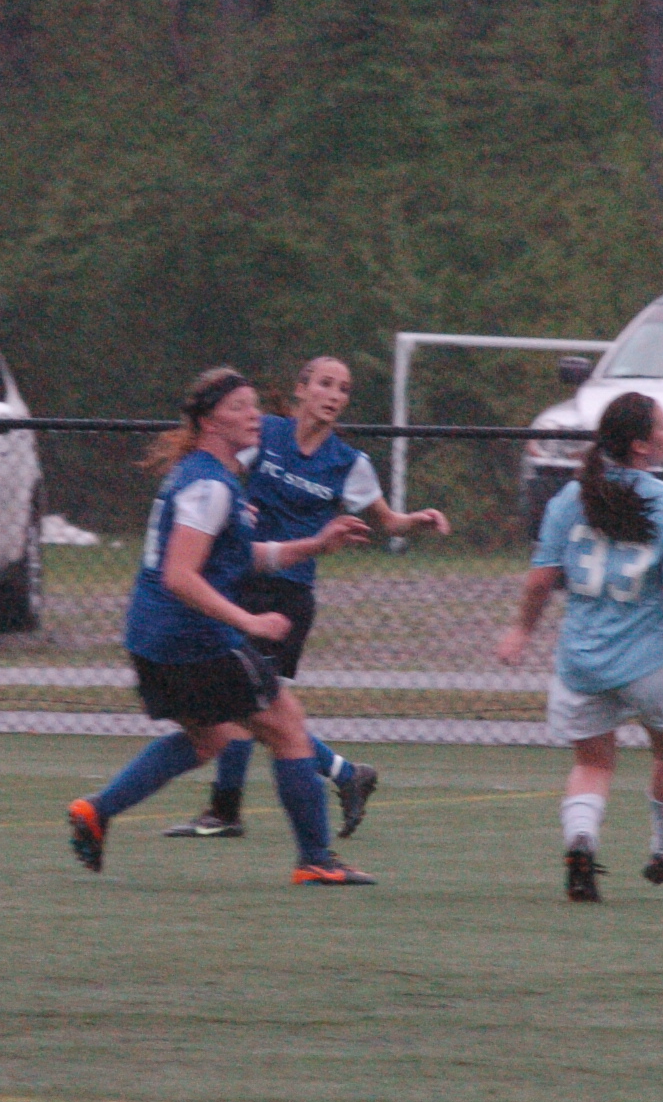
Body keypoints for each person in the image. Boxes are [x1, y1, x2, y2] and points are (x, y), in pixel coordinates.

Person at [67, 367, 380, 886]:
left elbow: (239, 556)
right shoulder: (210, 485)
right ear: (211, 422)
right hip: (192, 639)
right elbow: (180, 575)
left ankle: (97, 811)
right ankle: (316, 860)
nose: (254, 416)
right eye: (239, 407)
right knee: (287, 725)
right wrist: (247, 619)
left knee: (210, 738)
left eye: (255, 405)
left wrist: (314, 545)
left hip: (151, 637)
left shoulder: (203, 475)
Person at [165, 354, 452, 842]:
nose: (334, 395)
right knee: (245, 703)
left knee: (249, 703)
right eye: (325, 383)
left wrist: (416, 521)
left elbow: (388, 522)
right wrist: (235, 506)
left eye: (343, 388)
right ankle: (339, 776)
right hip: (242, 578)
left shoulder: (349, 463)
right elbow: (221, 469)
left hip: (288, 597)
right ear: (301, 390)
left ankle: (231, 808)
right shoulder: (266, 434)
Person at [496, 392, 663, 901]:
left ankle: (581, 840)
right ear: (640, 446)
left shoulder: (570, 498)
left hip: (582, 663)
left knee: (592, 763)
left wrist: (521, 630)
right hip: (652, 662)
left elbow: (541, 580)